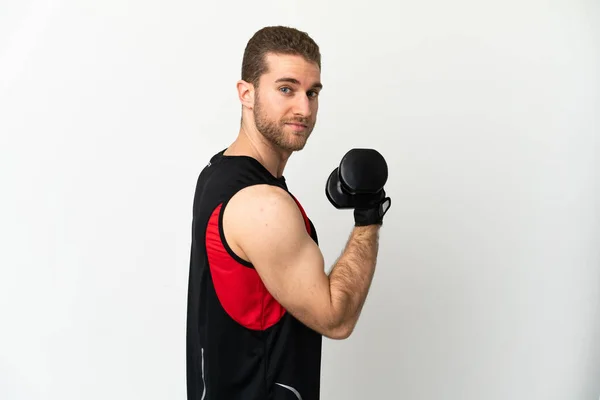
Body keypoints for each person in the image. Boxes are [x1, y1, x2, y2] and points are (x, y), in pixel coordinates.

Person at [186, 25, 391, 400]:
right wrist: (368, 217)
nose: (304, 108)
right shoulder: (265, 205)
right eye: (286, 89)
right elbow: (337, 318)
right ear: (245, 94)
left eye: (312, 92)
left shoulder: (216, 174)